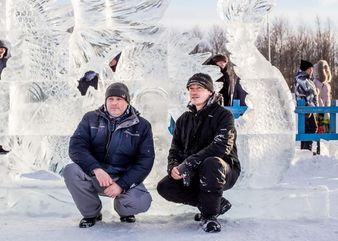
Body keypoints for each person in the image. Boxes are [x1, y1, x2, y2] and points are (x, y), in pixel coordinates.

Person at [157, 73, 240, 233]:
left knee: (211, 163)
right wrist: (173, 167)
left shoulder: (224, 115)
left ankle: (209, 216)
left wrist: (188, 164)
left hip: (223, 170)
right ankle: (215, 203)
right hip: (193, 172)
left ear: (210, 92)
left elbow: (221, 147)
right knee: (165, 186)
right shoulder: (183, 119)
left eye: (199, 88)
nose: (194, 92)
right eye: (191, 88)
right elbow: (175, 149)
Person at [64, 82, 155, 228]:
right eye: (110, 99)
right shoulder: (90, 118)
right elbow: (76, 146)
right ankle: (91, 213)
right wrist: (96, 169)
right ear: (105, 101)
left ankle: (124, 210)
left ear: (127, 102)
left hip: (123, 177)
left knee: (142, 202)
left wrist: (121, 185)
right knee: (71, 170)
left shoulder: (142, 125)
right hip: (96, 176)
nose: (114, 103)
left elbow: (145, 161)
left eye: (119, 99)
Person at [294, 60, 318, 151]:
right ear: (305, 69)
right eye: (310, 69)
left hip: (310, 108)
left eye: (312, 69)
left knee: (308, 128)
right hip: (306, 108)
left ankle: (306, 149)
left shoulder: (307, 79)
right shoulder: (301, 79)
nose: (312, 71)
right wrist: (310, 104)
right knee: (311, 127)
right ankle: (306, 149)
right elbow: (306, 93)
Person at [313, 60, 332, 133]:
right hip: (319, 110)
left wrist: (327, 107)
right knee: (320, 128)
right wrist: (322, 108)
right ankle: (319, 142)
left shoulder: (327, 85)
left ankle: (325, 131)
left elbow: (328, 97)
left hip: (327, 109)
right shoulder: (315, 83)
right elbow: (317, 97)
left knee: (326, 129)